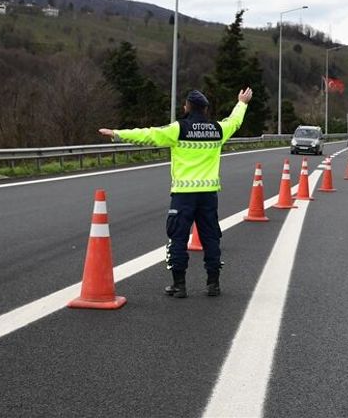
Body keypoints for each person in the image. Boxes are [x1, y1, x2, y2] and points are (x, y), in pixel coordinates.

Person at [99, 87, 252, 298]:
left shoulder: (178, 128)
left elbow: (149, 134)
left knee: (178, 238)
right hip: (208, 194)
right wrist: (242, 103)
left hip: (184, 194)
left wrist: (117, 134)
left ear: (187, 107)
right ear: (206, 109)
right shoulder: (217, 129)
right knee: (211, 238)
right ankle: (213, 284)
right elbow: (234, 122)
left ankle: (179, 285)